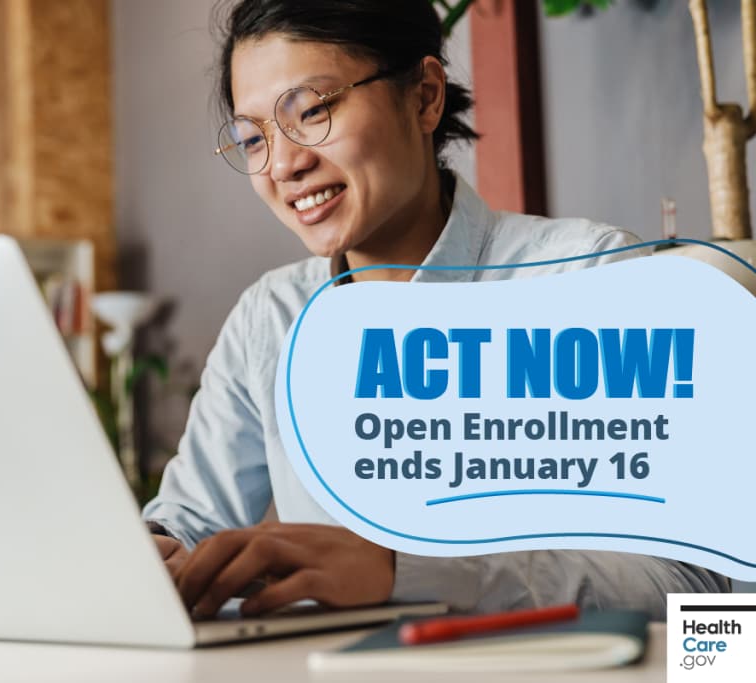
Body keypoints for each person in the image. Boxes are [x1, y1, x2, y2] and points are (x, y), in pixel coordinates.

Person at [142, 0, 729, 620]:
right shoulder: (271, 317)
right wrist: (147, 557)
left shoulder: (590, 277)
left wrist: (406, 573)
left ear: (424, 96)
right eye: (253, 137)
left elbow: (701, 576)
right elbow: (188, 525)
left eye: (311, 111)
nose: (284, 165)